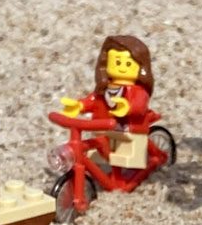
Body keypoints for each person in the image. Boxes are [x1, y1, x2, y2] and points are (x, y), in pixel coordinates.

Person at [59, 35, 154, 168]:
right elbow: (95, 100)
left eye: (128, 64)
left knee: (124, 158)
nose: (122, 67)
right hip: (104, 127)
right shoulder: (106, 88)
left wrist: (128, 107)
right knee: (97, 152)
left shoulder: (138, 90)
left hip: (127, 130)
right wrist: (80, 105)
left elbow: (140, 104)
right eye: (117, 62)